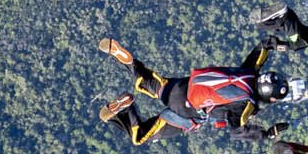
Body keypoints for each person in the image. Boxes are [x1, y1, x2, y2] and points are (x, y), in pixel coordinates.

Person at [96, 34, 289, 143]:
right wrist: (267, 134)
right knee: (140, 136)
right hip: (186, 110)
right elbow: (236, 131)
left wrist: (279, 44)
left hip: (182, 86)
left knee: (146, 78)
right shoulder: (247, 104)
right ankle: (126, 109)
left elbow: (264, 46)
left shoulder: (250, 73)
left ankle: (126, 59)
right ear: (268, 97)